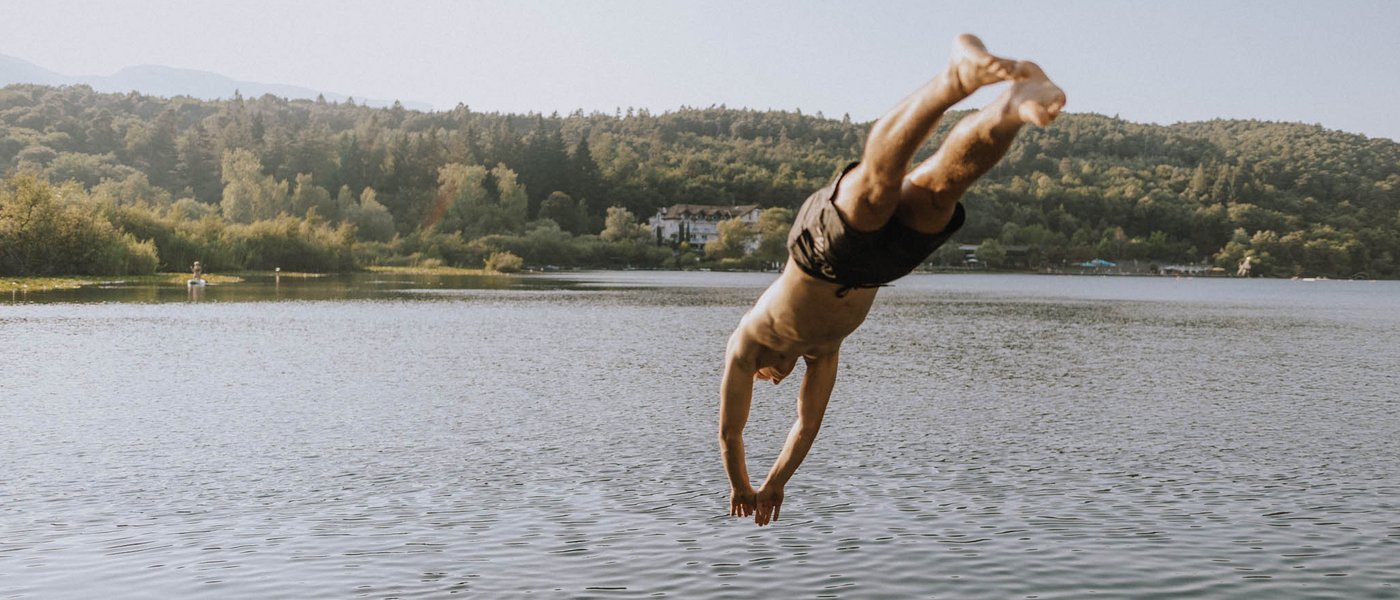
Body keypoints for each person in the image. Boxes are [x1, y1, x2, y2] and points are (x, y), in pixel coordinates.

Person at [719, 34, 1065, 526]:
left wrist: (739, 485)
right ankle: (1010, 107)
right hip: (881, 268)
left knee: (878, 186)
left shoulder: (747, 342)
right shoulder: (822, 353)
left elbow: (731, 434)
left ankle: (956, 79)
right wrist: (774, 483)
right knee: (941, 188)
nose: (772, 380)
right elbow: (806, 424)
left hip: (820, 253)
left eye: (764, 379)